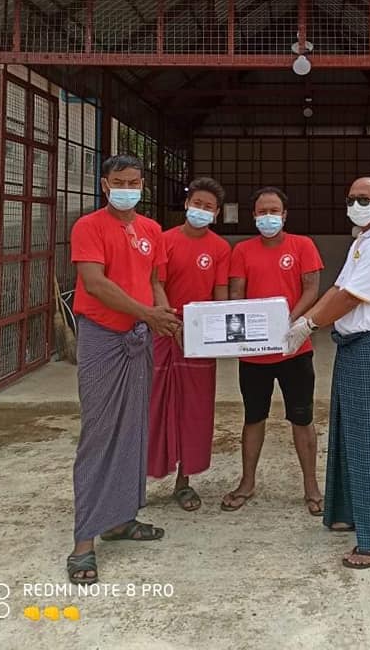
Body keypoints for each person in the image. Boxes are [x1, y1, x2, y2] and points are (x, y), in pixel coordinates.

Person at [67, 154, 181, 584]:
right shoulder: (89, 227)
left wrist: (164, 315)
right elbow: (95, 283)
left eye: (134, 182)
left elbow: (154, 282)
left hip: (140, 336)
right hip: (103, 335)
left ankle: (120, 519)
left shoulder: (151, 230)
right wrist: (147, 314)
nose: (127, 188)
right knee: (99, 433)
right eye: (119, 181)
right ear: (105, 184)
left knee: (134, 428)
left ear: (142, 185)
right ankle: (83, 543)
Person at [285, 177, 370, 570]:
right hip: (354, 346)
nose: (356, 204)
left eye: (364, 199)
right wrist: (305, 319)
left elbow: (350, 297)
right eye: (352, 198)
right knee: (349, 433)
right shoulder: (363, 242)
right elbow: (337, 288)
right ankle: (349, 512)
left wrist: (309, 325)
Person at [222, 186, 324, 515]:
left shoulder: (303, 245)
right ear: (254, 216)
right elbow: (237, 293)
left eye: (274, 211)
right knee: (254, 417)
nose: (268, 217)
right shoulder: (242, 251)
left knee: (302, 417)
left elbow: (312, 288)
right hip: (254, 352)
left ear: (284, 215)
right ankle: (247, 482)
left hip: (295, 348)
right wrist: (245, 327)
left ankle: (311, 486)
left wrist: (290, 320)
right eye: (262, 211)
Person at [148, 177, 231, 512]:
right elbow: (156, 283)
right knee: (153, 406)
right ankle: (138, 480)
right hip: (163, 330)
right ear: (186, 205)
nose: (201, 210)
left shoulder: (220, 248)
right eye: (197, 204)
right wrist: (170, 322)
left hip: (200, 338)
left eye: (208, 207)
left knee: (195, 409)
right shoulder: (164, 240)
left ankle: (184, 482)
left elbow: (220, 294)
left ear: (217, 213)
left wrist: (218, 332)